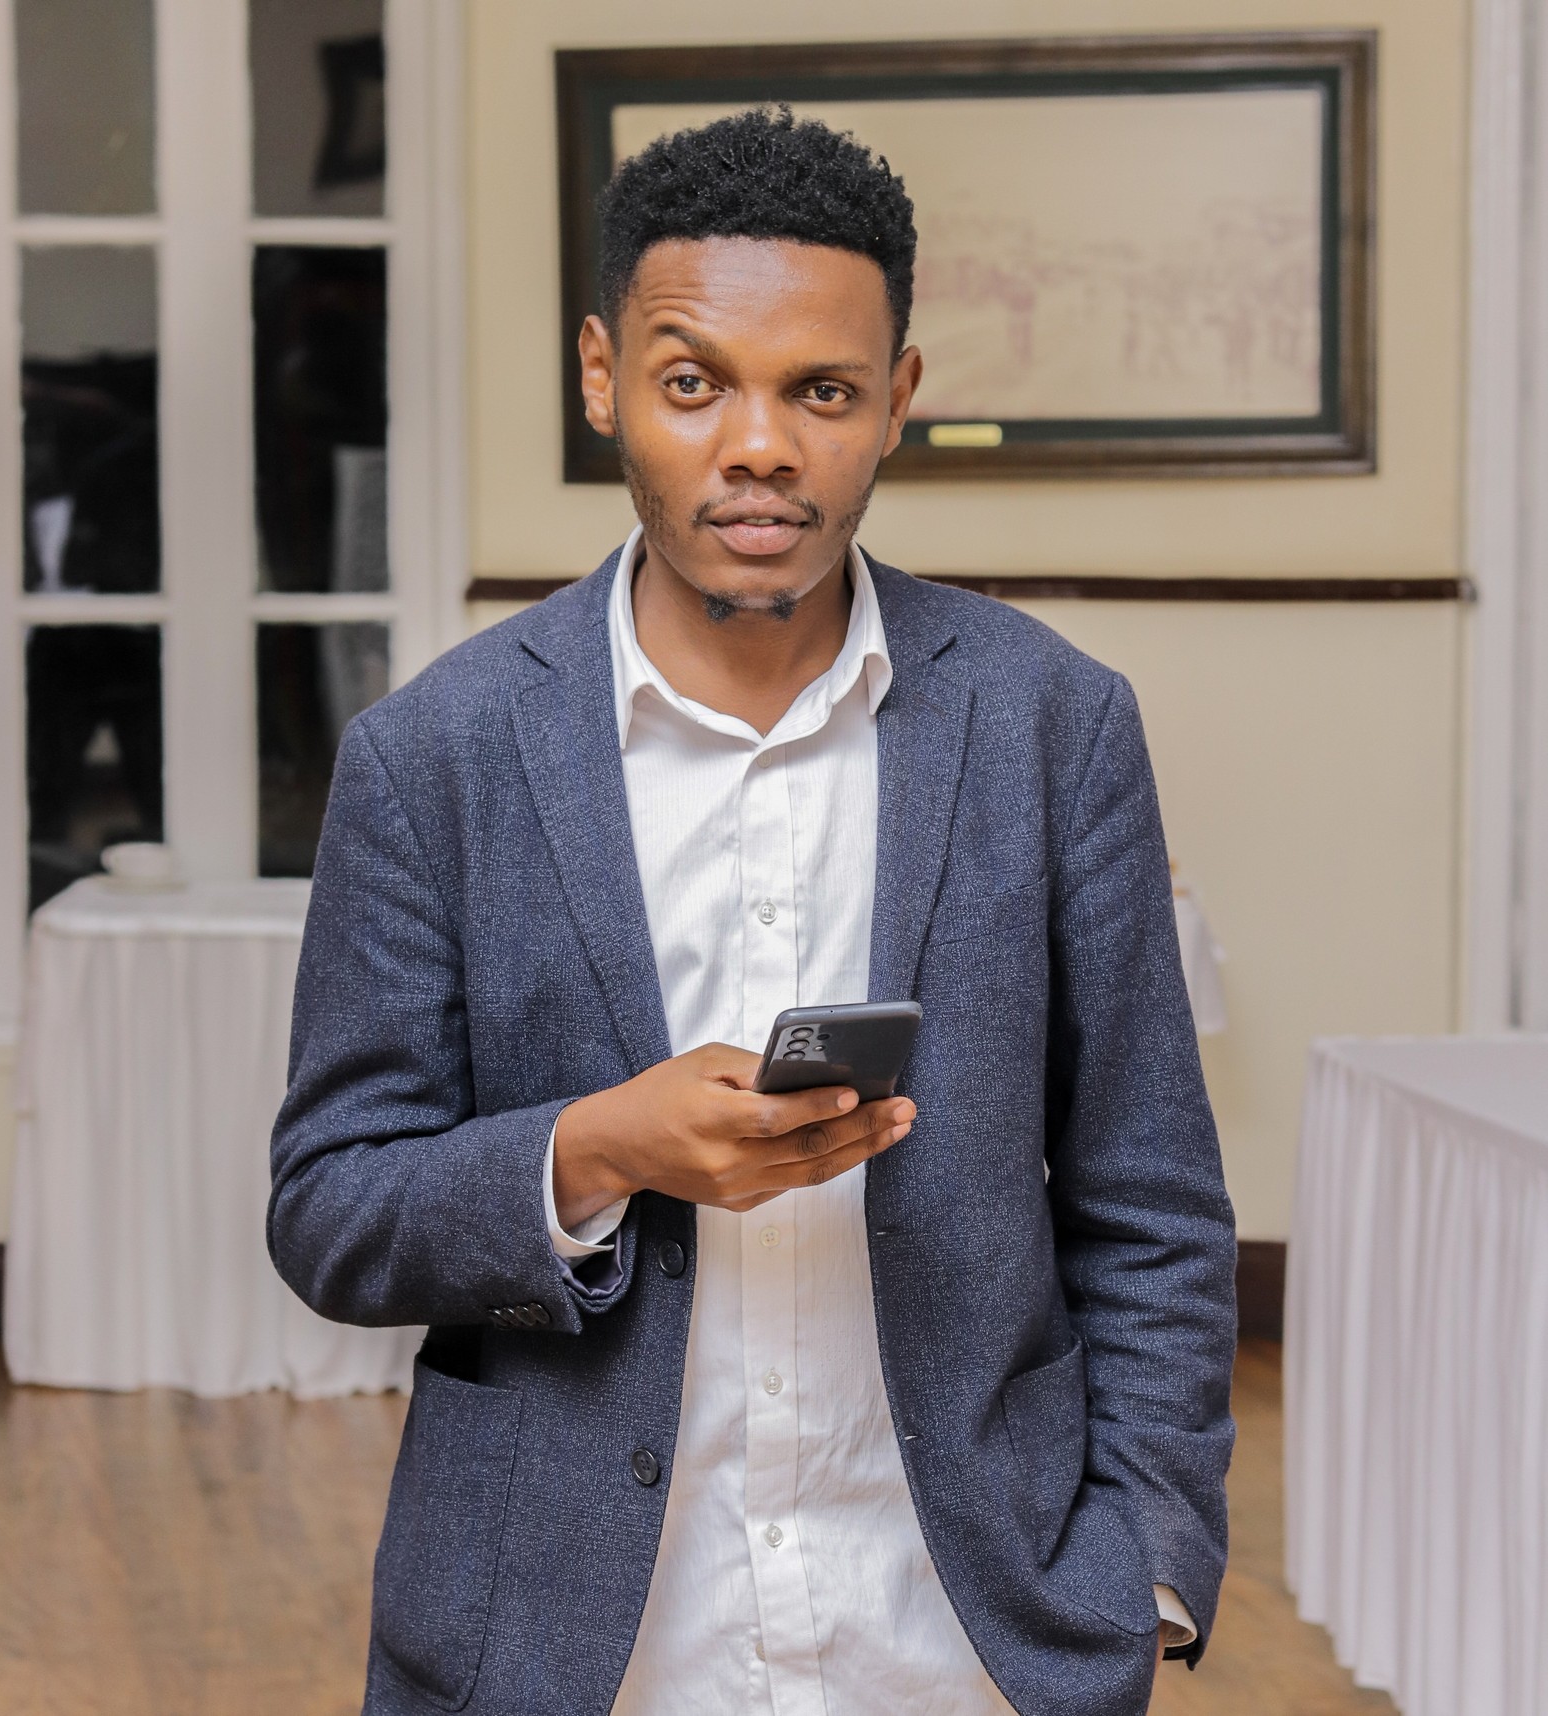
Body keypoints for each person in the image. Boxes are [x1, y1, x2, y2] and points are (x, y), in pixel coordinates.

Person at [268, 106, 1237, 1716]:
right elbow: (330, 1207)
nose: (761, 444)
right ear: (603, 379)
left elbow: (1152, 1201)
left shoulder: (1053, 725)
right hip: (568, 1651)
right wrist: (598, 1150)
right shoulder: (433, 757)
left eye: (823, 391)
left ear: (898, 399)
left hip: (964, 1642)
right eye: (695, 382)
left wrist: (1143, 1572)